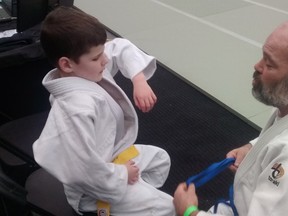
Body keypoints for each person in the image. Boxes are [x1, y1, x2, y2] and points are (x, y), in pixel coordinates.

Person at [32, 6, 176, 216]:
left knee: (160, 159)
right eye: (97, 57)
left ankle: (136, 199)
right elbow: (82, 171)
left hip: (113, 157)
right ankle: (119, 204)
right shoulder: (73, 109)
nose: (105, 60)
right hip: (94, 189)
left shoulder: (84, 67)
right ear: (67, 64)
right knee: (170, 207)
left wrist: (138, 80)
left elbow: (120, 47)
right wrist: (122, 175)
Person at [173, 21, 288, 216]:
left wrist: (189, 212)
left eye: (269, 64)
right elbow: (275, 140)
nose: (257, 66)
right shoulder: (284, 105)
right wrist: (251, 148)